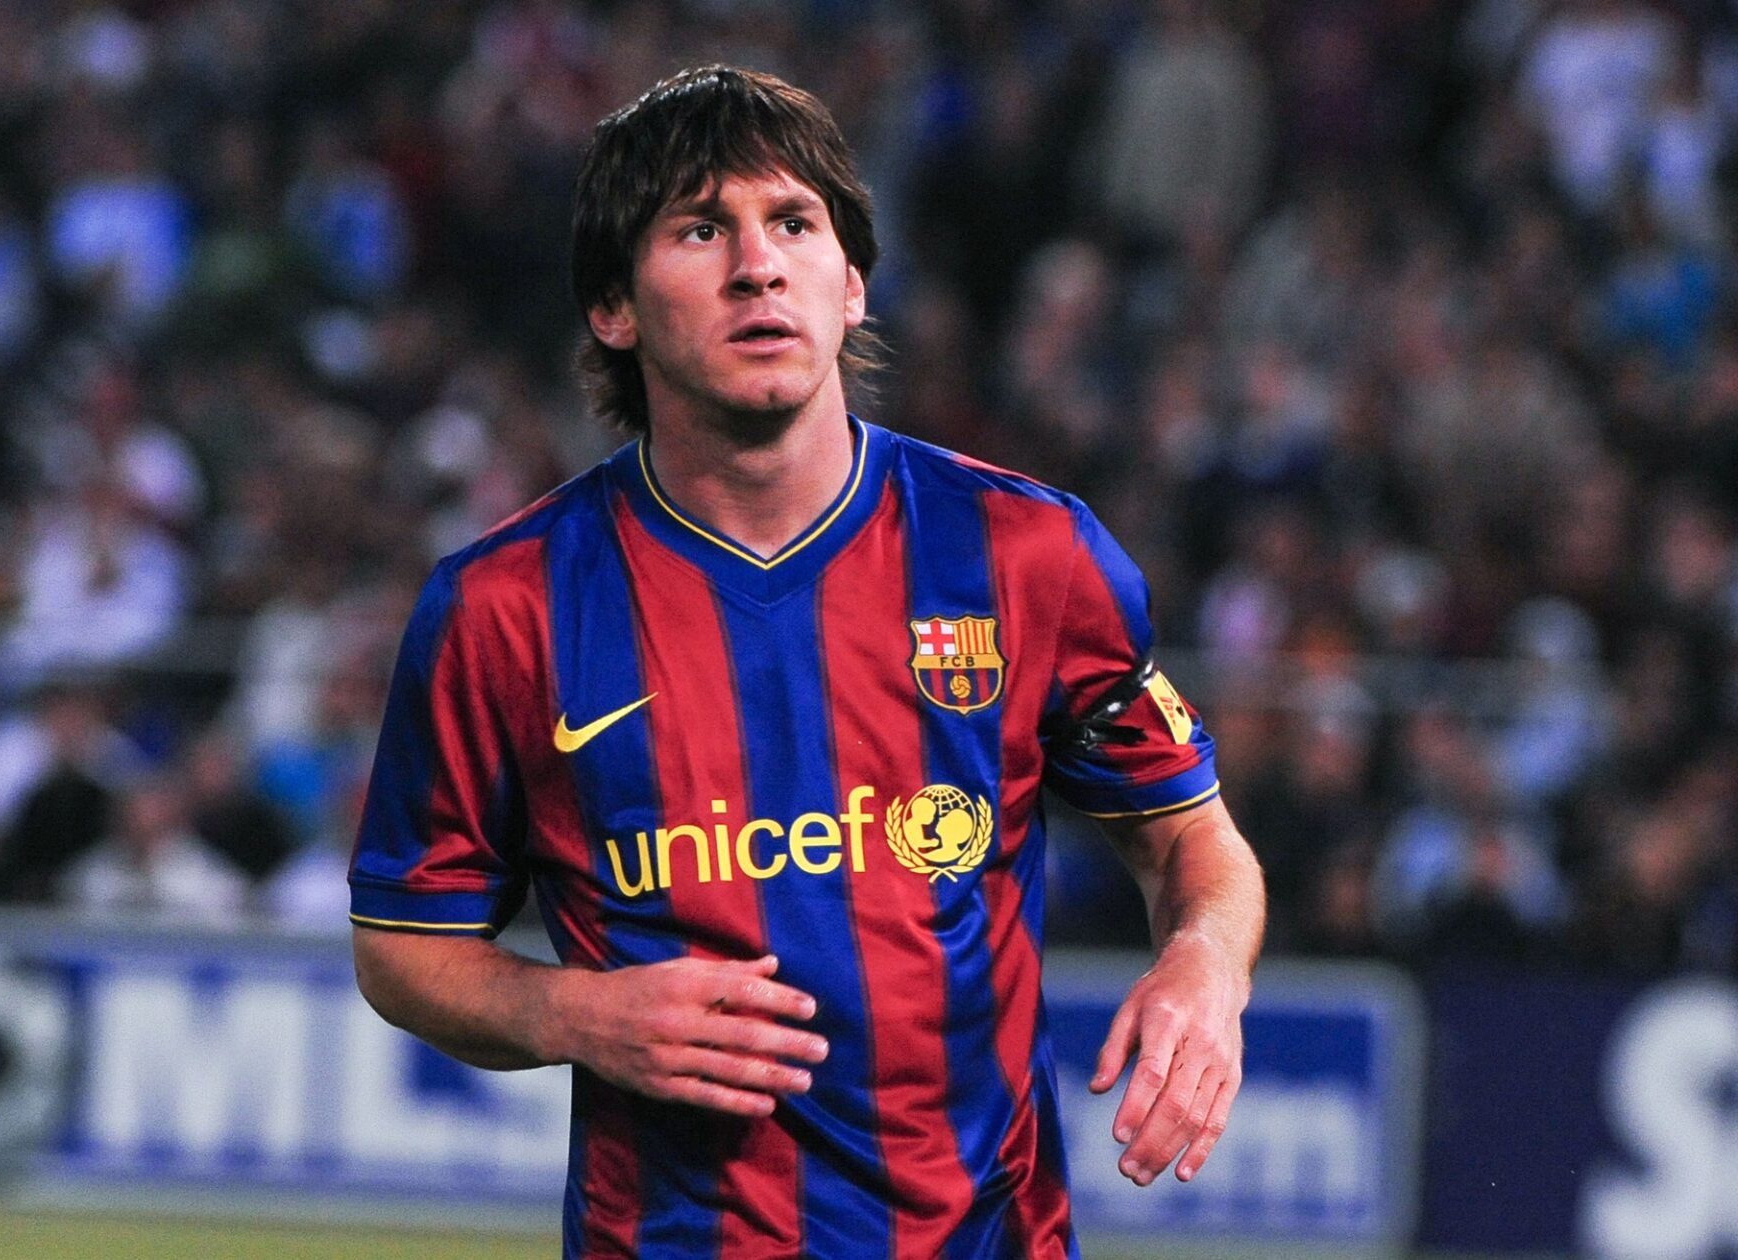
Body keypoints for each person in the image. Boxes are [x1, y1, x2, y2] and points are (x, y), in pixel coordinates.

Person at [350, 66, 1264, 1258]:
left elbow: (1196, 841)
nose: (756, 265)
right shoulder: (504, 608)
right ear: (613, 308)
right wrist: (576, 1012)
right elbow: (402, 943)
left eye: (794, 223)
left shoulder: (1025, 554)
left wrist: (1203, 966)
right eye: (699, 230)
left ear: (853, 284)